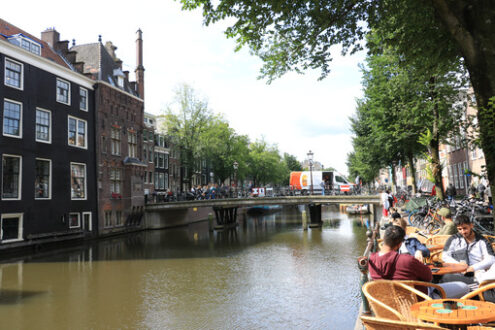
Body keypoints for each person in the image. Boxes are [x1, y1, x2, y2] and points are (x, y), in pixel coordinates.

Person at [368, 225, 468, 298]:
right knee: (464, 287)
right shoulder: (406, 260)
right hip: (420, 301)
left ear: (384, 239)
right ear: (399, 244)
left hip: (389, 305)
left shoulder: (371, 260)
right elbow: (428, 277)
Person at [441, 214, 495, 285]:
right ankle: (479, 282)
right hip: (459, 272)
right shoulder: (453, 239)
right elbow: (445, 256)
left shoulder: (482, 240)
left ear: (471, 226)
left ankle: (478, 281)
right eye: (459, 229)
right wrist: (459, 265)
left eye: (465, 228)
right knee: (445, 277)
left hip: (477, 272)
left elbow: (491, 259)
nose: (463, 232)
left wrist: (473, 267)